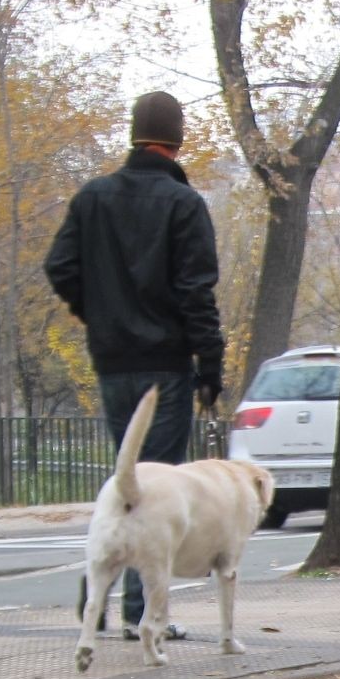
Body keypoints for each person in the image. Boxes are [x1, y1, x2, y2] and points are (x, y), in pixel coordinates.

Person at [45, 90, 225, 640]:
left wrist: (97, 312)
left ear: (134, 134)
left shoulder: (92, 199)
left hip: (112, 360)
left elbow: (61, 267)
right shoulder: (182, 205)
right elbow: (197, 291)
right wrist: (210, 362)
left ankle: (94, 601)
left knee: (123, 480)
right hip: (164, 365)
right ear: (178, 139)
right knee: (154, 492)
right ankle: (140, 616)